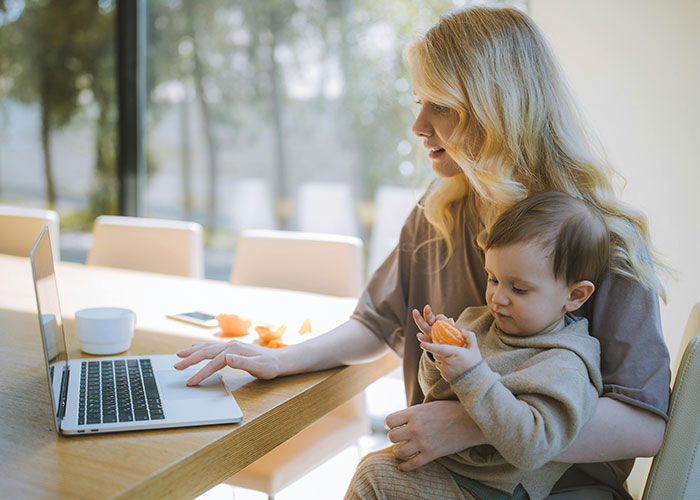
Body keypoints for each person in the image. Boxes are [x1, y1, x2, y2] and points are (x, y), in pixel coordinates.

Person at [174, 7, 670, 499]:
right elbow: (376, 323)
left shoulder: (605, 238)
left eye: (441, 105)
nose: (418, 125)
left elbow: (644, 424)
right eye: (418, 101)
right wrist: (282, 359)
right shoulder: (438, 213)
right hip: (446, 477)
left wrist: (475, 422)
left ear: (498, 110)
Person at [345, 191, 609, 500]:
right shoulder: (480, 322)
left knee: (374, 478)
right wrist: (438, 357)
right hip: (452, 470)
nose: (498, 297)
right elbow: (437, 393)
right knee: (374, 464)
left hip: (494, 490)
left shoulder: (565, 364)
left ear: (575, 296)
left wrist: (471, 373)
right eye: (493, 279)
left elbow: (533, 447)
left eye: (519, 288)